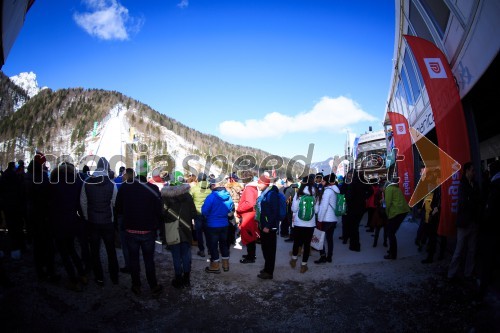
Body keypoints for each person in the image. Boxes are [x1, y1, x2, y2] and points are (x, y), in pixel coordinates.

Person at [115, 161, 163, 297]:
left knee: (133, 259)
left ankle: (136, 285)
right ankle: (153, 286)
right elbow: (159, 212)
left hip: (130, 230)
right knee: (149, 260)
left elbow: (118, 208)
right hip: (148, 231)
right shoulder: (153, 189)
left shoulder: (124, 188)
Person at [80, 157, 119, 286]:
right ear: (107, 168)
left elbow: (83, 202)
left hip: (92, 222)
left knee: (95, 251)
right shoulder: (112, 184)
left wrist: (87, 216)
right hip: (108, 222)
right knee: (111, 251)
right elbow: (114, 203)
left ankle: (99, 278)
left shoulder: (87, 182)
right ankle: (114, 276)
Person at [49, 163, 86, 291]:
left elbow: (49, 205)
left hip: (58, 222)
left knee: (64, 252)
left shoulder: (53, 185)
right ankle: (82, 274)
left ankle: (73, 280)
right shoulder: (77, 183)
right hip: (72, 220)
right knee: (72, 249)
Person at [447, 162, 481, 280]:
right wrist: (472, 201)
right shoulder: (461, 185)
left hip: (473, 222)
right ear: (466, 171)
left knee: (472, 250)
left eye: (474, 171)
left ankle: (468, 273)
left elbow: (477, 201)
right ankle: (451, 274)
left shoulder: (475, 184)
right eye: (472, 170)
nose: (474, 173)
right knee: (459, 250)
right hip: (463, 223)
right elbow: (465, 203)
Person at [161, 179, 197, 289]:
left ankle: (178, 279)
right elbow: (193, 213)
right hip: (186, 229)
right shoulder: (188, 196)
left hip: (172, 229)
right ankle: (186, 279)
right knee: (186, 255)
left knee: (176, 255)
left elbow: (162, 214)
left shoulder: (166, 198)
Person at [202, 178, 234, 274]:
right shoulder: (228, 196)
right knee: (224, 244)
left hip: (212, 225)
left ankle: (215, 266)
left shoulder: (211, 197)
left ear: (214, 186)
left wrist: (209, 217)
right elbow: (230, 209)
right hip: (224, 224)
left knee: (213, 245)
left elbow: (204, 211)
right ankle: (225, 264)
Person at [290, 174, 317, 273]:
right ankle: (303, 265)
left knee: (296, 242)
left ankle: (293, 259)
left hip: (298, 223)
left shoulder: (299, 193)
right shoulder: (315, 194)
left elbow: (294, 209)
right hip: (310, 224)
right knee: (307, 244)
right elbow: (317, 210)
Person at [255, 173, 280, 279]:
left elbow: (275, 212)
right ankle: (266, 268)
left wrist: (268, 226)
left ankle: (269, 272)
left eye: (259, 183)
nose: (257, 185)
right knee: (265, 249)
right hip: (263, 225)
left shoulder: (271, 194)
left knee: (270, 250)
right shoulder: (264, 193)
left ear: (265, 183)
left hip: (269, 227)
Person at [342, 170, 373, 252]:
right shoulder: (363, 181)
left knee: (353, 227)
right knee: (355, 226)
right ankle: (354, 245)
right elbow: (371, 191)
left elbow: (348, 196)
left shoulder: (351, 183)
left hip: (352, 207)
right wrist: (364, 197)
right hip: (361, 207)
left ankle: (354, 245)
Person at [314, 173, 340, 264]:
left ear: (327, 182)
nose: (322, 182)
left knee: (320, 238)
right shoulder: (335, 190)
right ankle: (329, 257)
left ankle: (323, 257)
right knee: (330, 239)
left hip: (326, 219)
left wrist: (320, 220)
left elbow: (324, 207)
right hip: (333, 219)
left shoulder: (327, 191)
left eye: (324, 181)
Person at [384, 180, 410, 259]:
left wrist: (387, 214)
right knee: (392, 232)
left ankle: (393, 254)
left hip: (397, 212)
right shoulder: (396, 188)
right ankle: (391, 250)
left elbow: (387, 204)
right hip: (403, 211)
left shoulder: (388, 189)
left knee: (390, 233)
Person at [236, 171, 259, 263]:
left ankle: (251, 257)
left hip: (248, 215)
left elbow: (249, 203)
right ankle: (251, 254)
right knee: (251, 235)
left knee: (249, 236)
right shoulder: (253, 187)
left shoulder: (249, 188)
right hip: (250, 214)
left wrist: (239, 209)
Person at [189, 173, 212, 257]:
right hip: (208, 214)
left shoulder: (194, 189)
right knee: (208, 232)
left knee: (199, 232)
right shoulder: (210, 190)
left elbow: (189, 200)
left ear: (197, 179)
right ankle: (210, 249)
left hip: (197, 213)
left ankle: (201, 250)